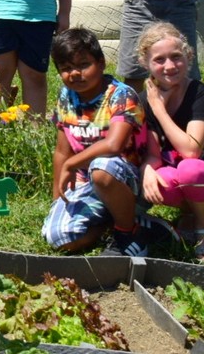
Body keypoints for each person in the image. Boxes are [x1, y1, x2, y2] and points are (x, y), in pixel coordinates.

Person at [42, 28, 151, 257]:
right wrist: (57, 201)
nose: (74, 74)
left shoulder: (121, 95)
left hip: (126, 179)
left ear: (101, 63)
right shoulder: (66, 96)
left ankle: (127, 233)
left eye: (83, 65)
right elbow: (62, 151)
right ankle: (118, 223)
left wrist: (72, 165)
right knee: (59, 238)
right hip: (85, 183)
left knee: (102, 167)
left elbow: (114, 146)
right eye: (65, 68)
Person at [137, 22, 204, 261]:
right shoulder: (143, 100)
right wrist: (147, 170)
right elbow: (153, 152)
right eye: (159, 60)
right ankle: (186, 216)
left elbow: (191, 150)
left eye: (176, 57)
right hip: (176, 174)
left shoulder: (199, 92)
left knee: (190, 168)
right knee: (159, 177)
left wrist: (160, 110)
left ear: (188, 57)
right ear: (146, 63)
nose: (169, 66)